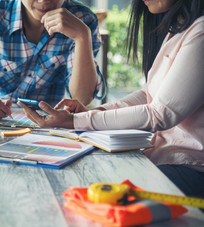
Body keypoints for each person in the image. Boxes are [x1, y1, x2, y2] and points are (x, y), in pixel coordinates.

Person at [18, 0, 204, 201]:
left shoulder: (200, 32)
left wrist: (76, 121)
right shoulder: (179, 29)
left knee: (91, 194)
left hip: (191, 168)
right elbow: (148, 94)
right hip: (162, 159)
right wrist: (92, 114)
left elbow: (161, 113)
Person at [0, 0, 105, 122]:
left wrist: (82, 36)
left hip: (52, 124)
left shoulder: (83, 20)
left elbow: (82, 98)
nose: (44, 1)